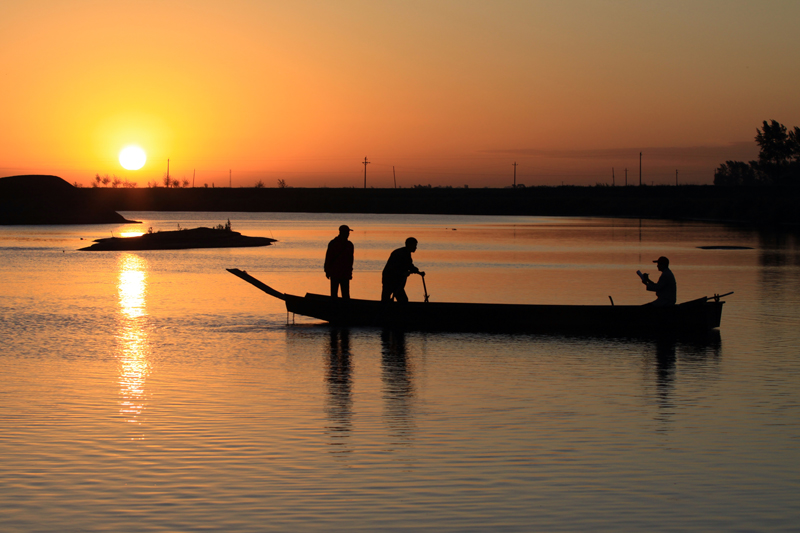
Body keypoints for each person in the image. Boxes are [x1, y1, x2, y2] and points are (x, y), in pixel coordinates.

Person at [381, 237, 424, 303]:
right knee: (401, 300)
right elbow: (403, 266)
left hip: (393, 278)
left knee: (389, 297)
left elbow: (409, 266)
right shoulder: (402, 253)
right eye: (415, 245)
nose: (416, 248)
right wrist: (407, 272)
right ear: (410, 245)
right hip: (391, 278)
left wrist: (418, 272)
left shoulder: (405, 252)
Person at [324, 225, 354, 299]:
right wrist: (327, 271)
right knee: (340, 295)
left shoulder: (335, 243)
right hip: (337, 273)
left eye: (348, 232)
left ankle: (340, 309)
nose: (348, 234)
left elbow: (350, 260)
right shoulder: (348, 245)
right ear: (342, 232)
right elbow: (328, 258)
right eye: (347, 232)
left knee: (343, 295)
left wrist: (327, 270)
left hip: (340, 273)